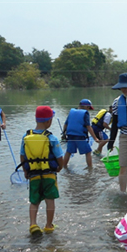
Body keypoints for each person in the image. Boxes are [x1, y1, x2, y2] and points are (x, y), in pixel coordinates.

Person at [20, 106, 64, 236]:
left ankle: (33, 224)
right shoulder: (52, 138)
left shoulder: (26, 136)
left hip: (33, 174)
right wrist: (60, 167)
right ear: (49, 121)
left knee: (34, 201)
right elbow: (59, 157)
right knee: (50, 200)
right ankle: (49, 226)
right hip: (49, 174)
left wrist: (25, 171)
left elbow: (22, 156)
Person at [62, 99, 99, 169]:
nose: (88, 110)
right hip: (80, 136)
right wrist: (95, 138)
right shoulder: (85, 113)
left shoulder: (71, 112)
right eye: (88, 108)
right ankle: (90, 169)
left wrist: (63, 134)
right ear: (86, 107)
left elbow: (65, 124)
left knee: (68, 152)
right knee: (88, 152)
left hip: (70, 135)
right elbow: (88, 127)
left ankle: (64, 167)